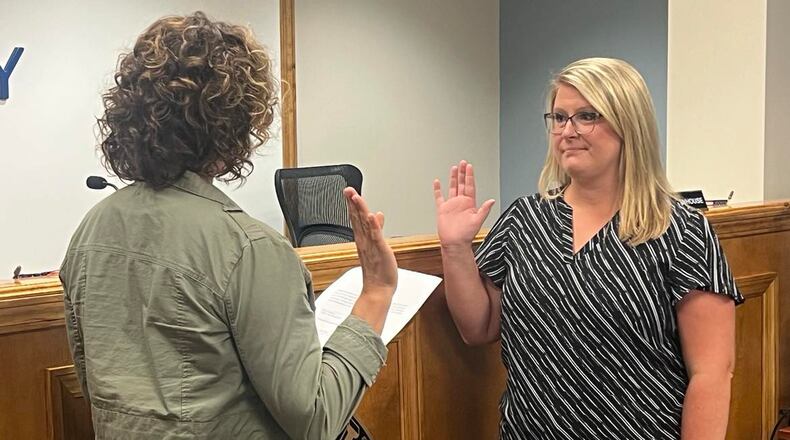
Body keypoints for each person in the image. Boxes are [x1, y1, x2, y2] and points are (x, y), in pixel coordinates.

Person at [60, 12, 397, 440]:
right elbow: (315, 419)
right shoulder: (249, 249)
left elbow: (94, 380)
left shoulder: (91, 231)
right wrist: (377, 293)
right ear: (236, 123)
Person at [434, 57, 742, 439]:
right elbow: (477, 328)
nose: (568, 131)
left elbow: (712, 373)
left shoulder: (678, 229)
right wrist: (455, 248)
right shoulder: (525, 219)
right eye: (559, 118)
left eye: (587, 116)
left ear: (628, 124)